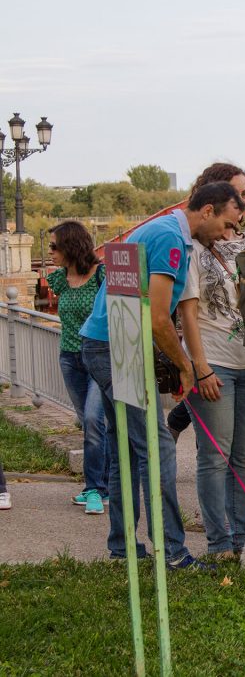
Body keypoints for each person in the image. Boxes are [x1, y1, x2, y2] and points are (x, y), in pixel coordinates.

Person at [80, 181, 244, 569]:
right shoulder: (172, 238)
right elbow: (157, 317)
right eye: (225, 225)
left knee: (126, 450)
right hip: (119, 348)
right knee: (158, 448)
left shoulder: (159, 229)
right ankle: (172, 551)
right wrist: (186, 366)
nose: (226, 235)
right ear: (207, 211)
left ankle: (122, 545)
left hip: (109, 341)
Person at [179, 163, 245, 558]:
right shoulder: (193, 247)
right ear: (213, 199)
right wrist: (200, 366)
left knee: (242, 456)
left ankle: (241, 537)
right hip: (215, 362)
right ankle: (218, 542)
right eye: (237, 196)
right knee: (215, 455)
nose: (243, 204)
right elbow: (188, 313)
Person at [47, 220, 109, 515]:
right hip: (70, 358)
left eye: (54, 246)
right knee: (88, 422)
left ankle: (94, 488)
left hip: (98, 356)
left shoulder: (102, 276)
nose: (50, 252)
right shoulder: (58, 279)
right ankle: (104, 484)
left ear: (71, 245)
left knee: (96, 421)